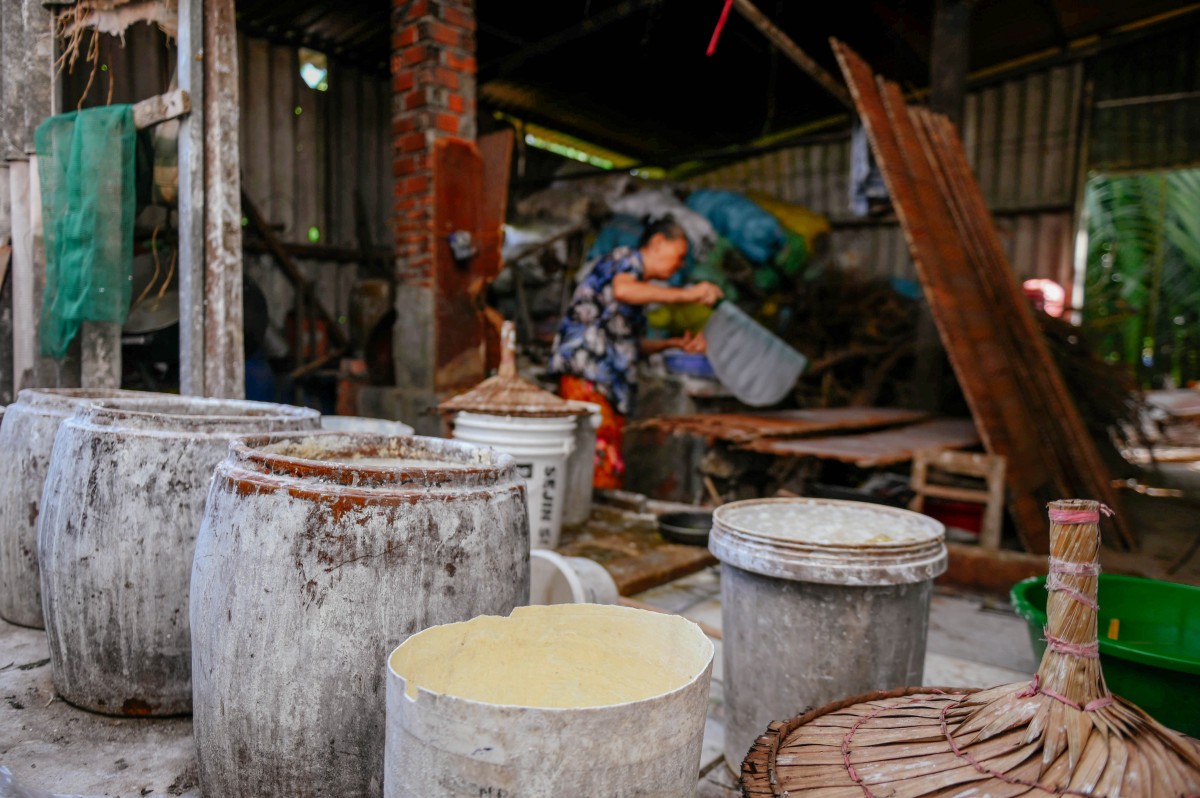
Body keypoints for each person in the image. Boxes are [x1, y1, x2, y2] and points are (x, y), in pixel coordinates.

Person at [549, 216, 724, 489]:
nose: (680, 265)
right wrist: (688, 294)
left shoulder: (638, 287)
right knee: (599, 460)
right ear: (657, 242)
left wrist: (673, 344)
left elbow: (631, 345)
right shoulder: (623, 260)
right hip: (588, 377)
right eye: (679, 256)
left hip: (607, 383)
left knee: (604, 460)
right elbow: (623, 290)